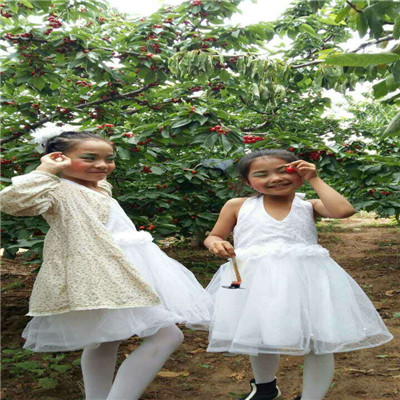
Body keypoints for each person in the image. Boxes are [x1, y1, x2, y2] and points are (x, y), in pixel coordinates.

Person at [0, 129, 212, 400]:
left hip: (125, 267)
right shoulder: (56, 190)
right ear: (59, 158)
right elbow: (12, 202)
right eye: (89, 158)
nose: (102, 165)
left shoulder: (101, 187)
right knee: (168, 336)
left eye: (109, 159)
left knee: (104, 340)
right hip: (101, 271)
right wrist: (46, 170)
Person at [203, 149, 393, 400]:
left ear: (299, 172)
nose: (275, 178)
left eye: (284, 171)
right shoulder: (238, 206)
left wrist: (315, 179)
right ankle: (265, 388)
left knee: (316, 339)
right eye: (262, 174)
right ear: (248, 182)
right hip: (256, 281)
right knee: (258, 333)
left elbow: (343, 210)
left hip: (307, 281)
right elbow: (215, 235)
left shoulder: (307, 205)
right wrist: (215, 243)